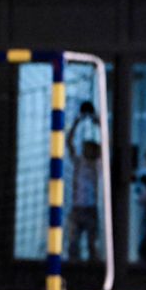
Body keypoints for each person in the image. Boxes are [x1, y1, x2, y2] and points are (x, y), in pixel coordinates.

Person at [65, 107, 102, 262]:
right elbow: (69, 143)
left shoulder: (97, 164)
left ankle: (93, 270)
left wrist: (99, 124)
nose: (86, 150)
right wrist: (76, 122)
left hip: (91, 208)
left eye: (89, 148)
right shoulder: (79, 162)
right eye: (85, 147)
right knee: (73, 244)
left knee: (92, 244)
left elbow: (108, 145)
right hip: (77, 207)